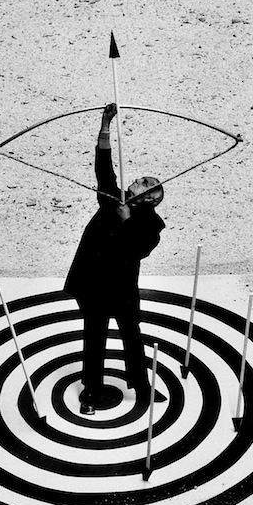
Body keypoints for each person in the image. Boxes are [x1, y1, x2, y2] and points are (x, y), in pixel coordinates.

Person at [64, 103, 166, 415]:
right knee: (94, 338)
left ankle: (142, 387)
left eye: (144, 183)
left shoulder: (152, 224)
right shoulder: (112, 199)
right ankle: (91, 391)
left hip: (122, 289)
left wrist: (127, 221)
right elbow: (104, 168)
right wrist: (105, 125)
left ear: (150, 198)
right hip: (94, 285)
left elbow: (138, 249)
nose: (137, 180)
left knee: (132, 336)